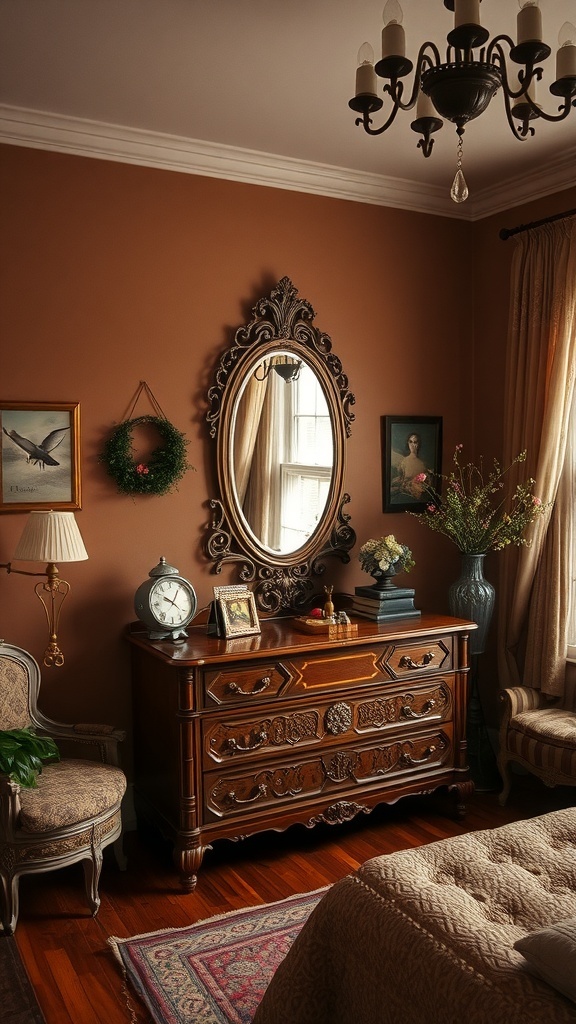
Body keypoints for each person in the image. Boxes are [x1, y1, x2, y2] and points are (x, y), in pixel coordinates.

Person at [391, 432, 430, 501]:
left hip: (418, 496)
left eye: (415, 442)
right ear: (408, 443)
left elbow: (426, 483)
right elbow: (401, 479)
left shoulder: (423, 464)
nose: (412, 445)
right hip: (405, 495)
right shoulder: (404, 461)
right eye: (410, 442)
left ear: (418, 444)